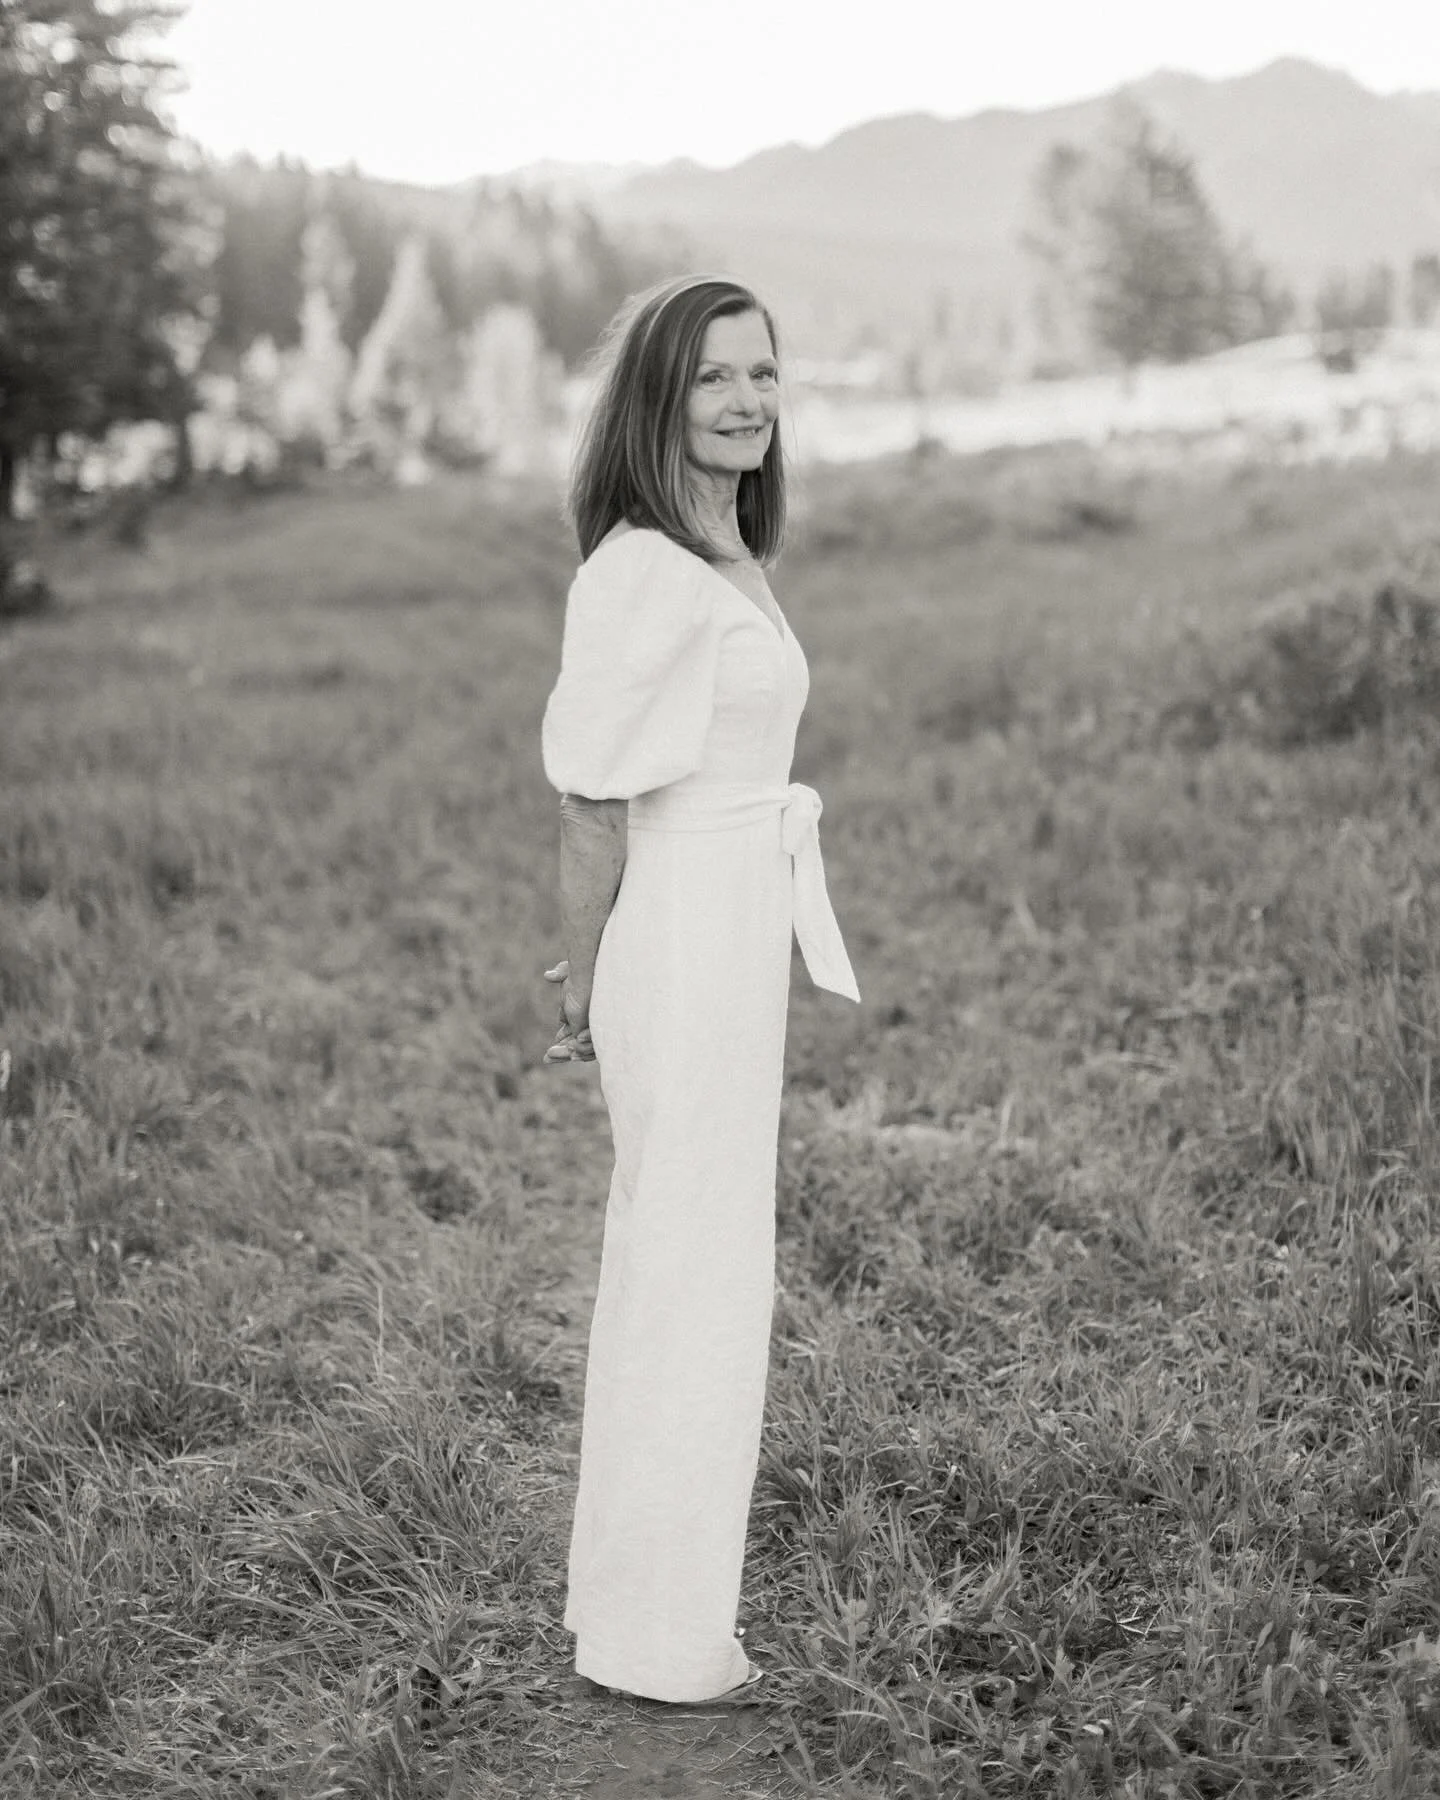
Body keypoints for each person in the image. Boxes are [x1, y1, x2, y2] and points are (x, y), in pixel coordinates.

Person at [538, 273, 861, 1705]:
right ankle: (661, 1640)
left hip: (734, 935)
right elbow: (591, 809)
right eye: (713, 377)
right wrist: (579, 984)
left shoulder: (729, 549)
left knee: (701, 1265)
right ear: (657, 398)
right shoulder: (640, 572)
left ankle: (643, 1611)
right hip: (675, 944)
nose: (744, 400)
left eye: (764, 375)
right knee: (690, 1272)